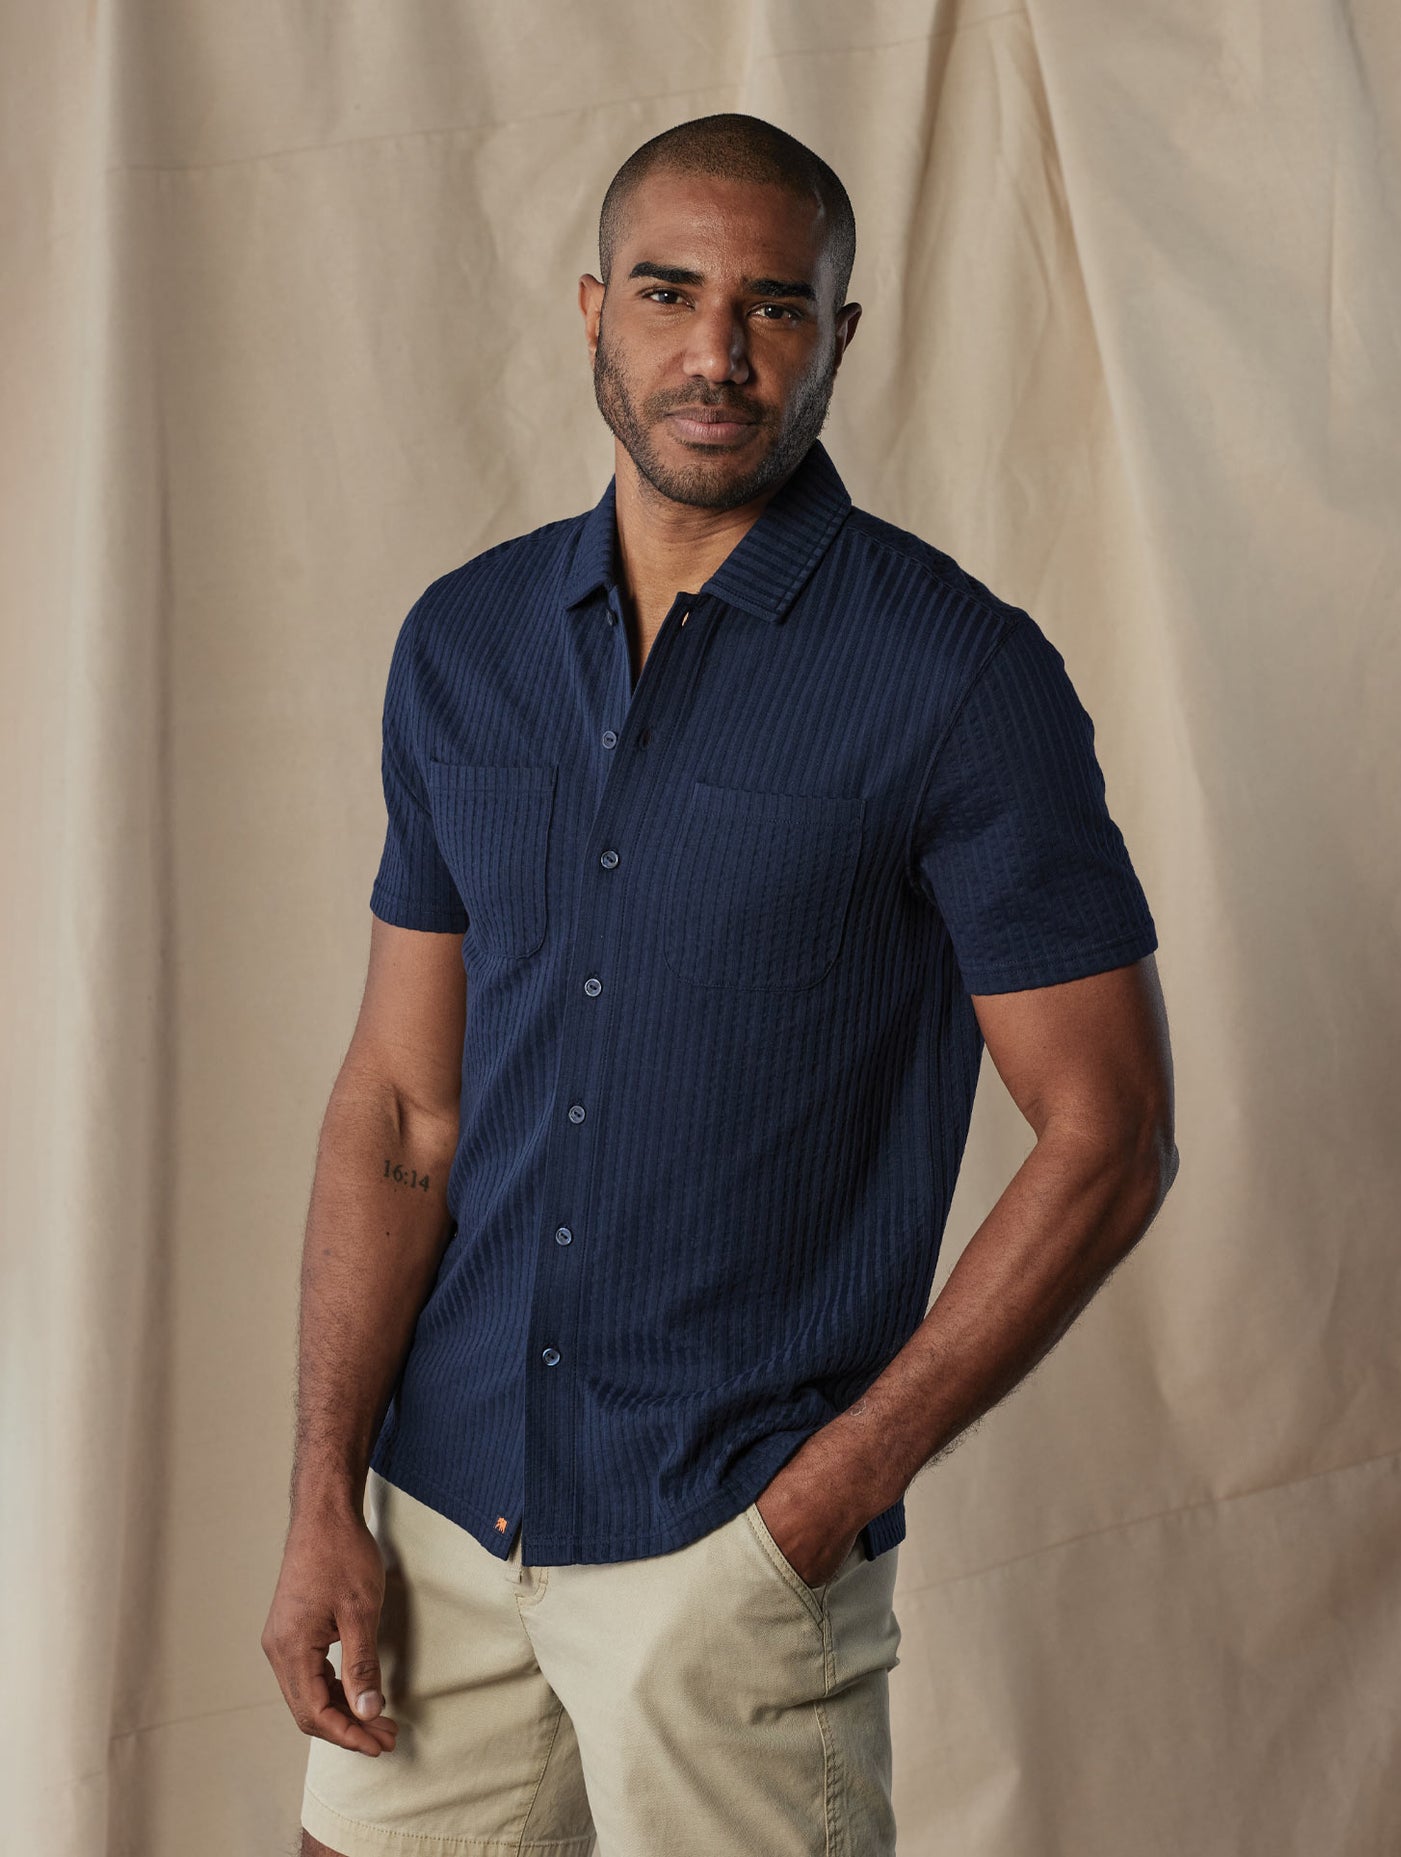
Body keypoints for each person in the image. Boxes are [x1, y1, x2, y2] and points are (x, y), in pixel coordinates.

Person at [262, 111, 1179, 1857]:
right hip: (440, 1508)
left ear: (840, 335)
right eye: (670, 294)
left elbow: (1109, 1133)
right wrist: (324, 1494)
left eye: (774, 306)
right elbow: (399, 1110)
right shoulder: (461, 644)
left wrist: (828, 1494)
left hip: (724, 1540)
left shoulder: (955, 676)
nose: (716, 354)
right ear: (593, 310)